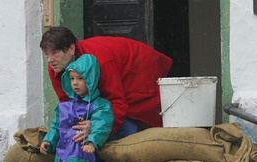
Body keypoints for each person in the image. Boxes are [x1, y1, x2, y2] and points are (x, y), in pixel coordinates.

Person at [39, 26, 173, 142]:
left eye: (55, 53)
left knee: (128, 121)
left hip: (139, 68)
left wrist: (95, 126)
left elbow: (117, 103)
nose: (50, 60)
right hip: (118, 68)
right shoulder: (55, 67)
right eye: (46, 54)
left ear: (71, 49)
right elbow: (69, 105)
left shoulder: (101, 61)